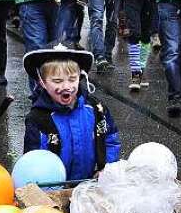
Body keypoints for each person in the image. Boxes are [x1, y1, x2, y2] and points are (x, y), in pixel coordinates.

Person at [22, 46, 121, 180]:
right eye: (57, 81)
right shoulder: (37, 119)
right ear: (42, 82)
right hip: (54, 188)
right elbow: (32, 162)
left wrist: (106, 168)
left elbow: (111, 139)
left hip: (90, 183)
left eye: (72, 79)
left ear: (80, 77)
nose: (66, 87)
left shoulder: (96, 108)